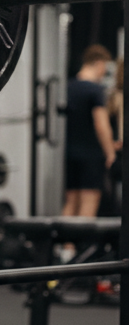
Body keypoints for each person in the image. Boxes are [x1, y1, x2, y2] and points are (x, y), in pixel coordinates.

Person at [62, 44, 117, 218]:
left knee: (71, 202)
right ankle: (82, 237)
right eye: (105, 67)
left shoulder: (69, 87)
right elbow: (101, 124)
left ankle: (64, 237)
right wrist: (110, 152)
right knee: (89, 202)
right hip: (91, 155)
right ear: (99, 63)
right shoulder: (95, 90)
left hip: (70, 154)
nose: (104, 72)